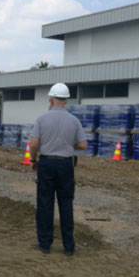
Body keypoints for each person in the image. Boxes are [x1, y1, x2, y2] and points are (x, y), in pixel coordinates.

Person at [29, 83, 87, 256]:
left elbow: (34, 144)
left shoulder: (41, 119)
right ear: (66, 100)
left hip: (47, 163)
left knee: (45, 203)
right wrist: (68, 145)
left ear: (52, 99)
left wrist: (33, 159)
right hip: (66, 165)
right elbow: (83, 145)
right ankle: (68, 246)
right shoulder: (74, 120)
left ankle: (45, 244)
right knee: (66, 204)